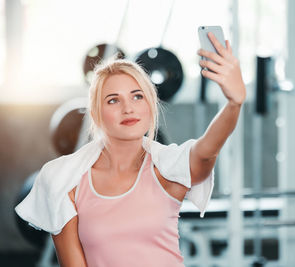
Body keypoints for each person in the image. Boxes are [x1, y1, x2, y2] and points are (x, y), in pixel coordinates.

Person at [15, 32, 246, 267]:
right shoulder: (66, 183)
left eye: (137, 97)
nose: (128, 108)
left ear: (150, 106)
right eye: (113, 100)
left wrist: (233, 104)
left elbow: (205, 152)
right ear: (95, 114)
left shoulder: (165, 171)